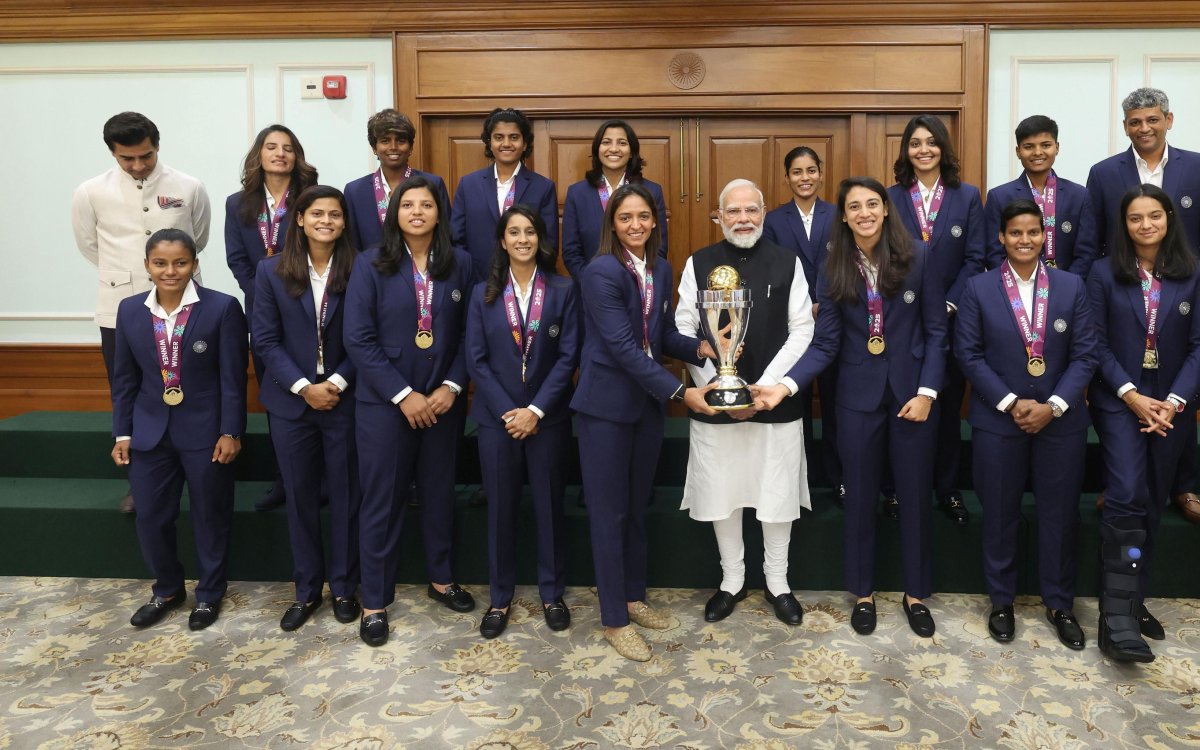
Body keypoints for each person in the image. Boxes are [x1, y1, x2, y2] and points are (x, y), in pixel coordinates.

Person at [754, 177, 947, 638]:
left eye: (872, 204)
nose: (864, 213)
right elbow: (825, 344)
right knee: (859, 497)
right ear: (843, 215)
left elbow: (938, 331)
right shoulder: (834, 263)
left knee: (915, 495)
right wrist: (784, 386)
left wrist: (928, 393)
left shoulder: (918, 255)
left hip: (911, 397)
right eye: (854, 206)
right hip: (857, 398)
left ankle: (915, 593)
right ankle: (863, 592)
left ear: (885, 210)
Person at [571, 183, 718, 661]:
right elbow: (622, 347)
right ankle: (615, 619)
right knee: (609, 515)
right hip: (606, 411)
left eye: (643, 217)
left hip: (644, 409)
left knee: (635, 509)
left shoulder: (659, 267)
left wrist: (700, 346)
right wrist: (681, 392)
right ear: (612, 224)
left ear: (656, 221)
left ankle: (634, 598)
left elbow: (658, 334)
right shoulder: (601, 272)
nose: (635, 225)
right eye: (625, 218)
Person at [955, 199, 1097, 650]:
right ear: (1001, 237)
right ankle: (1002, 600)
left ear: (1044, 236)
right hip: (999, 420)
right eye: (1015, 232)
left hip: (1061, 421)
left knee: (1059, 514)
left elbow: (1086, 354)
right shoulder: (978, 289)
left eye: (1033, 232)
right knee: (999, 512)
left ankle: (1060, 604)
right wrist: (1012, 401)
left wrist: (1052, 405)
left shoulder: (1073, 286)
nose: (1025, 240)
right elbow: (968, 354)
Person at [676, 179, 815, 627]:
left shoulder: (787, 261)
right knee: (725, 494)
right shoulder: (699, 263)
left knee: (776, 495)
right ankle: (732, 580)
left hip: (774, 403)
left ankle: (778, 582)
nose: (743, 219)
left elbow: (802, 329)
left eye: (751, 210)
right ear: (718, 216)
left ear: (764, 213)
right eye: (732, 211)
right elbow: (683, 331)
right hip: (718, 406)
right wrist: (720, 387)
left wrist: (765, 388)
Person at [344, 175, 475, 647]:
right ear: (393, 213)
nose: (417, 212)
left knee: (440, 492)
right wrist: (403, 394)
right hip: (384, 406)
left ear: (439, 212)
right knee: (382, 499)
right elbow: (358, 338)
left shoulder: (459, 263)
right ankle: (375, 601)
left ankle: (441, 579)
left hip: (443, 402)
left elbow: (469, 334)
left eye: (426, 204)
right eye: (407, 205)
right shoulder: (370, 264)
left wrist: (452, 385)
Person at [72, 112, 212, 513]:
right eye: (126, 158)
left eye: (145, 156)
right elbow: (88, 245)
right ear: (113, 153)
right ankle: (141, 483)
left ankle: (198, 472)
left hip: (184, 306)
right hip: (120, 308)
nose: (137, 165)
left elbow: (196, 238)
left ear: (157, 144)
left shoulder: (188, 186)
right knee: (128, 391)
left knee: (191, 385)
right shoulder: (90, 191)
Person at [110, 228, 246, 631]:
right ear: (148, 266)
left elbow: (233, 379)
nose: (171, 271)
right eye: (161, 263)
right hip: (149, 433)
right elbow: (124, 379)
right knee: (150, 516)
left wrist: (231, 431)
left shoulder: (221, 308)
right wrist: (122, 433)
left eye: (180, 262)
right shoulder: (130, 310)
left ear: (195, 264)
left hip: (207, 433)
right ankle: (167, 589)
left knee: (210, 515)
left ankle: (209, 594)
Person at [1087, 184, 1200, 662]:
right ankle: (1115, 617)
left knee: (1153, 497)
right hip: (1119, 400)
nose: (1146, 225)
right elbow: (1094, 343)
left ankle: (1134, 597)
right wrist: (1133, 397)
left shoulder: (1192, 274)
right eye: (1136, 218)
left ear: (1169, 219)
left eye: (1154, 216)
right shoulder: (1102, 274)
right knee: (1129, 490)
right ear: (1124, 225)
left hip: (1172, 404)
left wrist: (1172, 402)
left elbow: (1198, 346)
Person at [1086, 88, 1200, 523]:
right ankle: (1119, 483)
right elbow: (1093, 237)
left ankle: (1183, 486)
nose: (1144, 128)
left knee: (1181, 396)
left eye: (1152, 119)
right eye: (1135, 121)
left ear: (1168, 120)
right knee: (1122, 401)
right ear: (1125, 126)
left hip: (1183, 293)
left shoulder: (1195, 166)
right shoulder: (1104, 173)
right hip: (1124, 290)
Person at [465, 205, 580, 639]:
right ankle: (500, 598)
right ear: (502, 240)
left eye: (530, 231)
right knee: (501, 511)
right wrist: (509, 412)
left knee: (550, 509)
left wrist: (535, 411)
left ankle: (552, 593)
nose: (522, 239)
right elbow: (475, 360)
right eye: (514, 232)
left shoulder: (564, 290)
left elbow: (569, 356)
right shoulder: (482, 295)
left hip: (546, 420)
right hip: (498, 421)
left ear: (540, 239)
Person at [251, 185, 361, 631]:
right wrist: (303, 387)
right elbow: (265, 339)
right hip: (291, 404)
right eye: (317, 214)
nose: (326, 221)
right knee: (299, 499)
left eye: (335, 215)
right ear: (299, 219)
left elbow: (368, 336)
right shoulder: (271, 270)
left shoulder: (362, 268)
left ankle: (346, 586)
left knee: (347, 497)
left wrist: (334, 381)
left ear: (344, 222)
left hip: (345, 399)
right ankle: (306, 590)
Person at [886, 115, 985, 525]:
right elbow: (883, 258)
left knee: (944, 408)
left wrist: (946, 304)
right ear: (906, 150)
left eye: (931, 142)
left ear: (944, 148)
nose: (923, 150)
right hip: (903, 322)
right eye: (915, 143)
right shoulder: (889, 198)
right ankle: (893, 490)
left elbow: (977, 258)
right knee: (899, 405)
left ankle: (947, 489)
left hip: (952, 320)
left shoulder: (967, 196)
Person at [225, 124, 319, 512]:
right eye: (271, 147)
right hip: (263, 312)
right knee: (279, 393)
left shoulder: (311, 199)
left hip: (312, 308)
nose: (280, 153)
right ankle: (285, 480)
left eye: (288, 148)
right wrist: (263, 294)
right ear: (259, 155)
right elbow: (237, 259)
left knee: (318, 388)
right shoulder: (238, 203)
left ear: (297, 156)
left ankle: (323, 480)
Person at [762, 146, 843, 503]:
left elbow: (848, 262)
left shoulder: (839, 214)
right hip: (792, 325)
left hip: (833, 318)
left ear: (821, 173)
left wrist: (826, 301)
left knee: (835, 402)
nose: (805, 177)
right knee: (795, 403)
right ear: (787, 177)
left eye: (811, 170)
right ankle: (800, 481)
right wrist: (801, 304)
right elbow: (770, 270)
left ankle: (839, 478)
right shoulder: (775, 220)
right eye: (797, 171)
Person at [451, 108, 558, 284]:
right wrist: (470, 278)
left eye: (514, 137)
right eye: (499, 137)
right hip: (476, 283)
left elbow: (549, 244)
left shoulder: (543, 187)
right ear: (489, 142)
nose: (506, 143)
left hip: (527, 286)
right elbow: (456, 239)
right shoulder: (468, 184)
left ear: (524, 144)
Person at [983, 115, 1098, 277]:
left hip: (1067, 292)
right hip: (1014, 291)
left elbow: (1087, 252)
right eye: (1029, 146)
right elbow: (993, 253)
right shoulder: (999, 197)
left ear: (1057, 147)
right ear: (1018, 151)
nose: (1037, 152)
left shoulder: (1079, 196)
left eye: (1045, 145)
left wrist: (1068, 285)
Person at [562, 119, 669, 281]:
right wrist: (592, 282)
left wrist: (639, 281)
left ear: (632, 151)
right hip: (592, 289)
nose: (613, 149)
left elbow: (658, 247)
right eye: (606, 142)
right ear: (597, 149)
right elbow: (571, 252)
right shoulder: (577, 193)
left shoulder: (652, 191)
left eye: (622, 143)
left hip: (640, 287)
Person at [344, 108, 451, 253]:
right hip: (373, 272)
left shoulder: (433, 183)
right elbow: (352, 245)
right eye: (385, 141)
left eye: (401, 141)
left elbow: (445, 235)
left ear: (411, 147)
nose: (393, 147)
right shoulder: (355, 191)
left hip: (424, 270)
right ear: (374, 147)